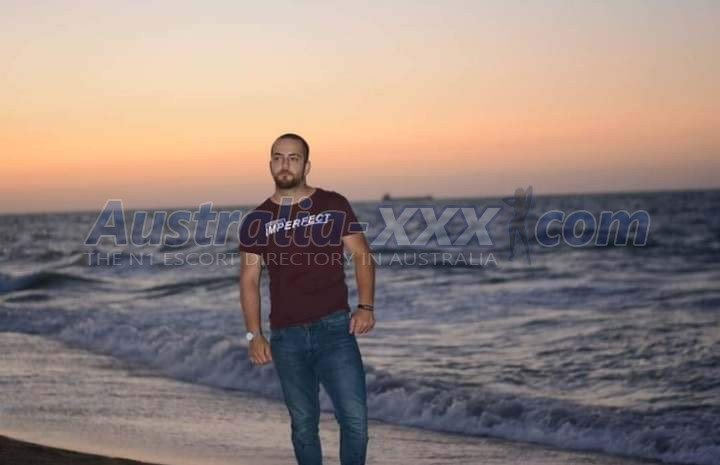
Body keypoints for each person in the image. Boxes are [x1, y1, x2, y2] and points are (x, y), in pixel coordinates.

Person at [237, 133, 376, 465]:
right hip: (287, 337)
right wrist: (254, 335)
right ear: (270, 164)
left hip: (335, 330)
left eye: (293, 158)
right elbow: (249, 279)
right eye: (278, 157)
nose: (285, 164)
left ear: (306, 165)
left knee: (355, 420)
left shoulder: (333, 204)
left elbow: (362, 255)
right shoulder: (257, 220)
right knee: (303, 426)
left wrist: (365, 306)